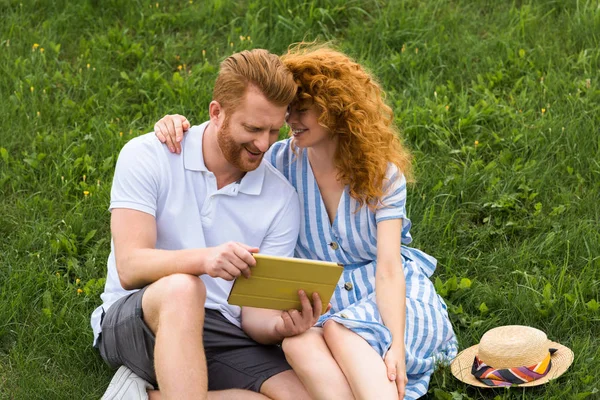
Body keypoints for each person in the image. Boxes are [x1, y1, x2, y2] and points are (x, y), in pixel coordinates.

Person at [155, 45, 458, 400]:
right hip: (324, 305)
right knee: (299, 346)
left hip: (391, 299)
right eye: (288, 111)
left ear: (335, 110)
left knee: (343, 334)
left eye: (302, 110)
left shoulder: (382, 176)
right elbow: (228, 134)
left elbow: (390, 269)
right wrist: (177, 124)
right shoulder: (279, 163)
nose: (289, 121)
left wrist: (396, 344)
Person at [91, 49, 322, 400]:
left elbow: (254, 316)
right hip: (142, 315)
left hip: (223, 331)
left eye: (275, 130)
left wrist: (280, 326)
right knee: (185, 288)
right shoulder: (148, 156)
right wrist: (204, 261)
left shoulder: (282, 199)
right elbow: (130, 265)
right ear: (217, 113)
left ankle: (143, 396)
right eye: (253, 128)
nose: (263, 144)